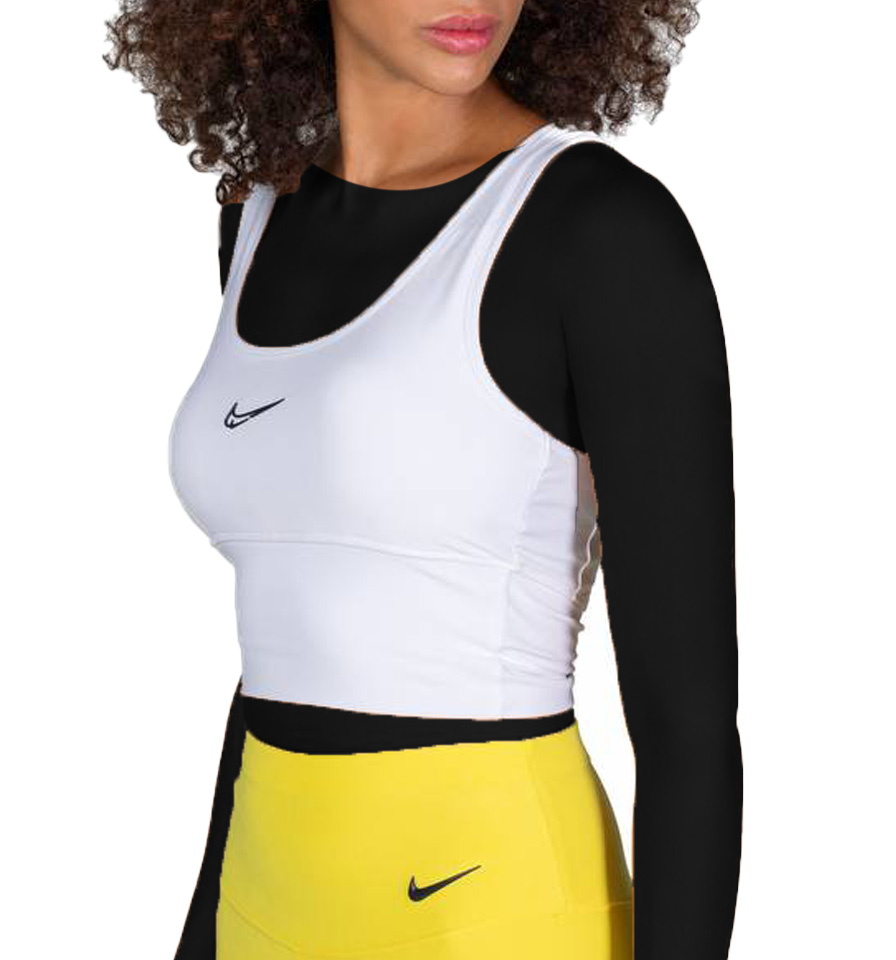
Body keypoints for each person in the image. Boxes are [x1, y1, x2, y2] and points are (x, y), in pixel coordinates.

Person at [104, 1, 742, 957]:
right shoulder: (257, 216)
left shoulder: (597, 228)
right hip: (264, 900)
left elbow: (688, 730)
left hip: (493, 910)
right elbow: (299, 626)